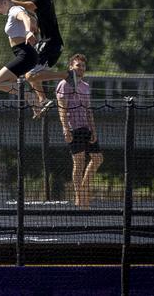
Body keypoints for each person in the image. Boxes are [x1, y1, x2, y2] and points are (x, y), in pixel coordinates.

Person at [0, 0, 64, 114]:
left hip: (49, 44)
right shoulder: (22, 8)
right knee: (26, 76)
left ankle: (39, 95)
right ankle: (39, 101)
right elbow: (33, 19)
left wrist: (29, 31)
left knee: (5, 80)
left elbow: (26, 14)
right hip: (33, 48)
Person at [0, 0, 45, 117]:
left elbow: (25, 17)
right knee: (6, 81)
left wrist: (28, 32)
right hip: (24, 55)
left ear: (5, 3)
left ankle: (30, 96)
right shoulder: (10, 13)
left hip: (25, 54)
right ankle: (34, 101)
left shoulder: (15, 10)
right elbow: (31, 20)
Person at [56, 53, 102, 208]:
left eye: (83, 66)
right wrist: (65, 129)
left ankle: (83, 190)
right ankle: (80, 197)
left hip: (86, 128)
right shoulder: (64, 84)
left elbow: (89, 110)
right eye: (77, 65)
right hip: (73, 128)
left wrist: (93, 130)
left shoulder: (86, 87)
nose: (80, 68)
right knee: (79, 162)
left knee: (97, 158)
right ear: (71, 67)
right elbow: (61, 108)